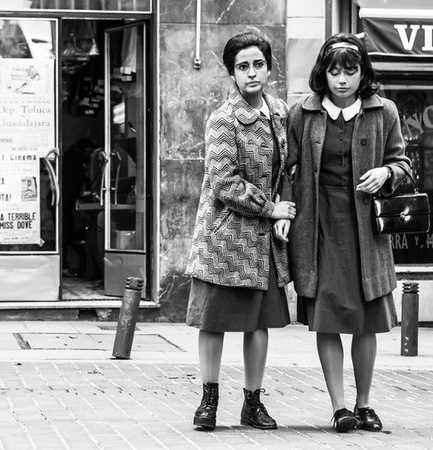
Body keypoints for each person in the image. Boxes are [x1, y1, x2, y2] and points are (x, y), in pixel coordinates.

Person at [283, 33, 411, 433]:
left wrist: (386, 172)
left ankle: (365, 403)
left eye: (350, 71)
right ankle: (340, 407)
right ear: (323, 72)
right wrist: (285, 210)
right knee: (327, 317)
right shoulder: (301, 113)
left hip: (365, 230)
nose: (342, 79)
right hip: (319, 225)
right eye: (334, 70)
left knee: (366, 318)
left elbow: (404, 163)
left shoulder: (383, 111)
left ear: (363, 73)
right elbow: (288, 168)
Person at [185, 32, 296, 431]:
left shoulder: (281, 113)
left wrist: (285, 210)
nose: (252, 73)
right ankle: (208, 400)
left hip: (264, 241)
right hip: (224, 239)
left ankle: (252, 402)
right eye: (243, 66)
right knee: (212, 322)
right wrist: (271, 208)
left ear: (269, 67)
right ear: (232, 73)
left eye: (258, 64)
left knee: (259, 323)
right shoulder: (222, 119)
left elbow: (291, 169)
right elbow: (224, 184)